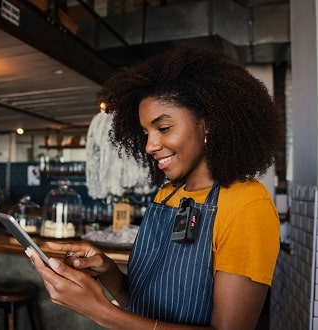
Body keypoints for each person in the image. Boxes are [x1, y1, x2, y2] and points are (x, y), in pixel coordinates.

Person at [26, 46, 281, 329]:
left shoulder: (246, 204)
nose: (149, 146)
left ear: (208, 124)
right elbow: (141, 304)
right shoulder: (166, 194)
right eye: (146, 132)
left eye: (164, 128)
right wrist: (108, 270)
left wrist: (99, 311)